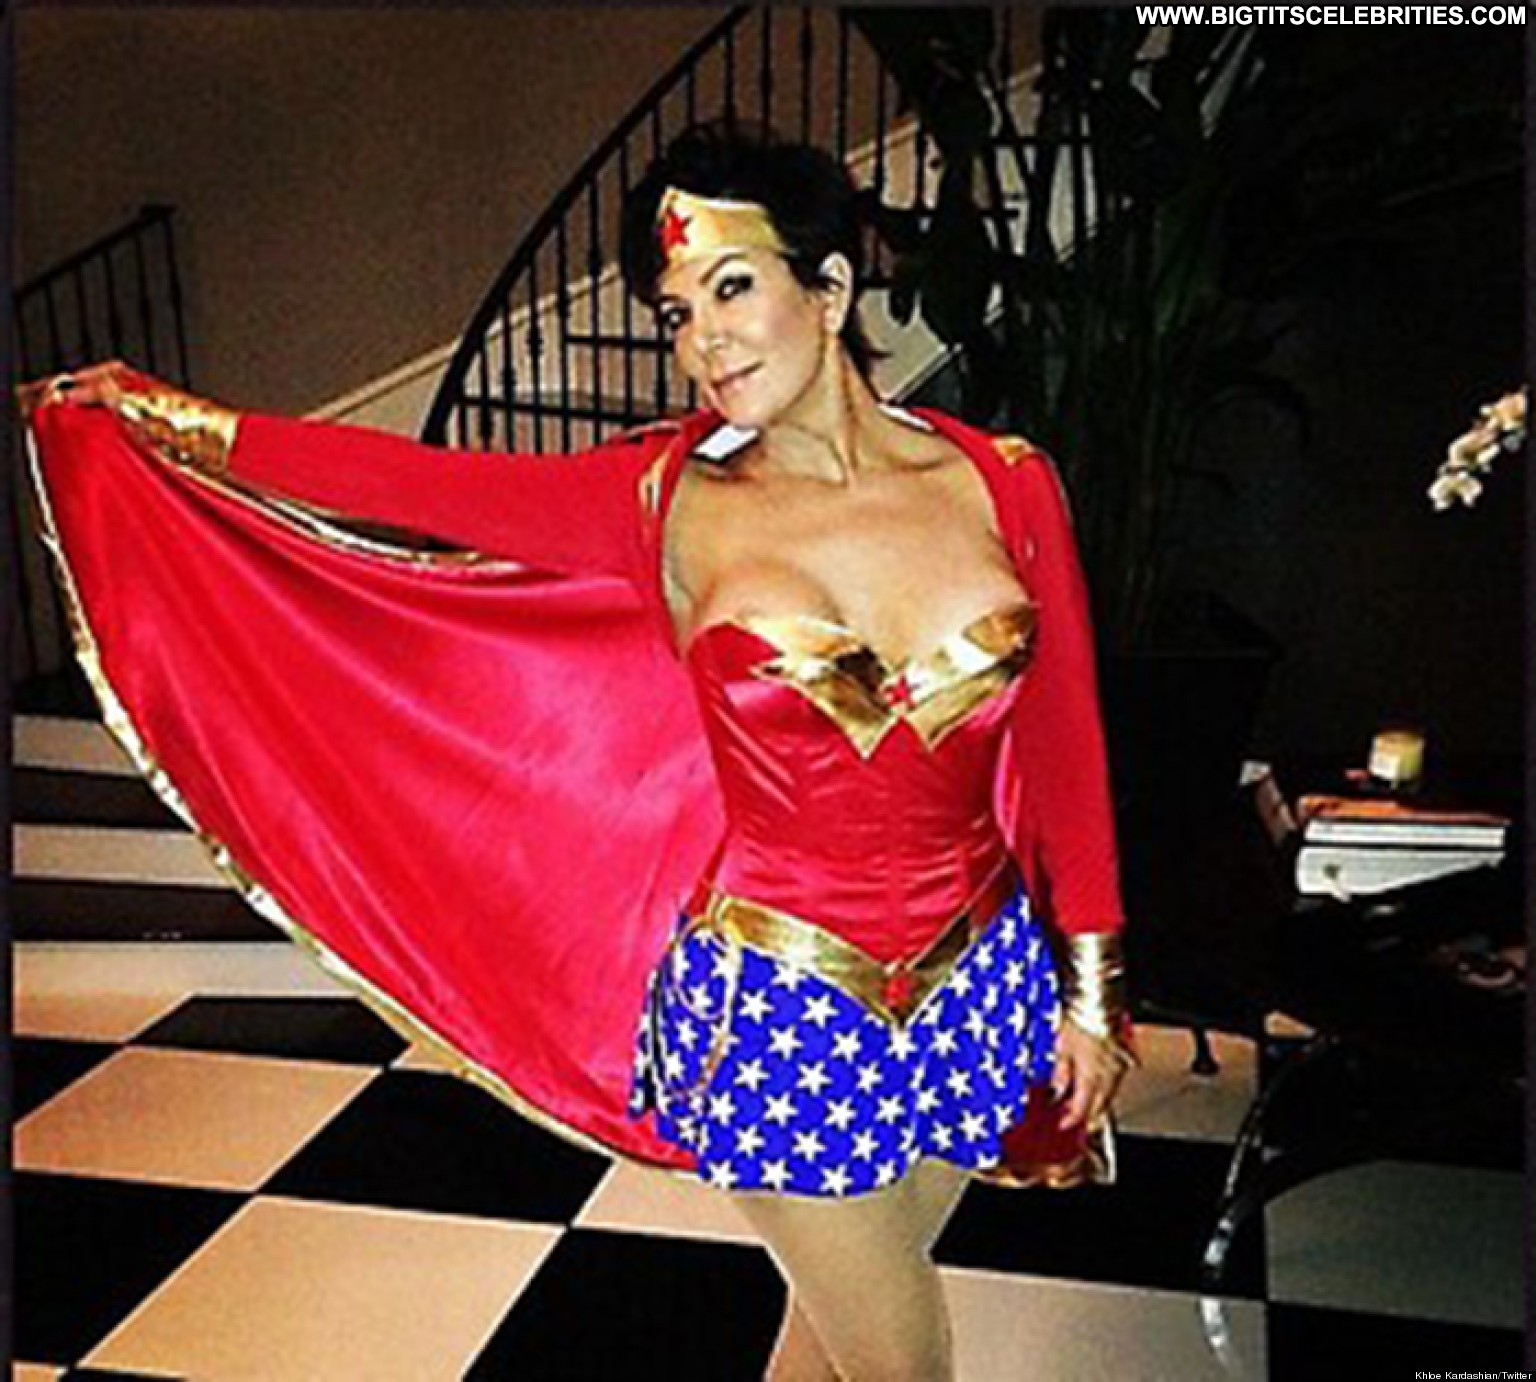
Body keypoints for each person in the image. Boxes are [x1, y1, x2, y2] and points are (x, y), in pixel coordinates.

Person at [22, 123, 1134, 1381]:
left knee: (829, 1338)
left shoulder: (1004, 484)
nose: (704, 341)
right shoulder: (664, 502)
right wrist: (170, 419)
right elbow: (406, 480)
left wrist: (1093, 990)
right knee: (901, 1358)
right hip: (785, 1011)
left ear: (829, 288)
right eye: (677, 312)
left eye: (732, 288)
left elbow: (1066, 742)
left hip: (979, 983)